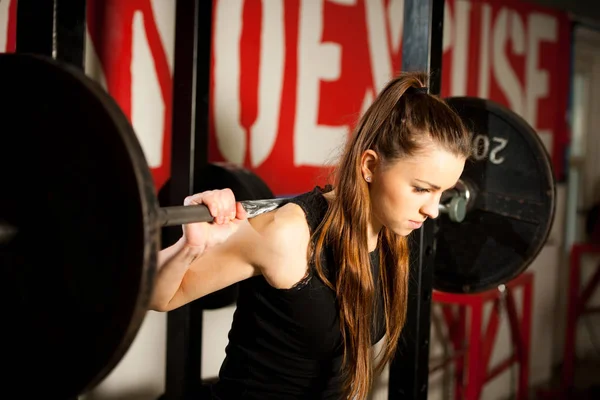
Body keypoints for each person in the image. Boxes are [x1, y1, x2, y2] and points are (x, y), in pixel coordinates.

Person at [150, 71, 473, 399]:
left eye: (442, 193)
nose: (432, 210)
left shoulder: (392, 237)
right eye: (421, 189)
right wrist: (190, 246)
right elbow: (158, 296)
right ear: (370, 166)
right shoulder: (289, 235)